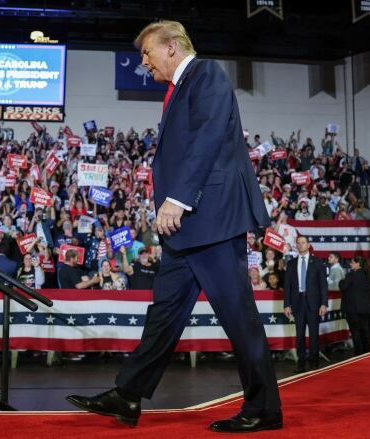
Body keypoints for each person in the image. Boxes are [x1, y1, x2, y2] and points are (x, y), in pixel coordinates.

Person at [66, 20, 282, 433]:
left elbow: (208, 137)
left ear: (171, 46)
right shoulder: (178, 89)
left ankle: (264, 408)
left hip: (212, 219)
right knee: (163, 315)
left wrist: (178, 198)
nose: (143, 61)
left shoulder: (206, 73)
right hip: (188, 229)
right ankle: (128, 394)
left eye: (147, 52)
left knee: (238, 318)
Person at [283, 235, 328, 373]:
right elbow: (288, 286)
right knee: (299, 334)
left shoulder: (318, 262)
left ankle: (314, 361)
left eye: (303, 242)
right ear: (296, 245)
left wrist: (324, 304)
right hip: (298, 303)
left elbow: (323, 285)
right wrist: (287, 305)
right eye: (298, 243)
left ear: (308, 245)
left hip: (314, 304)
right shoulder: (291, 264)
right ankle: (301, 362)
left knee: (314, 334)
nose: (301, 245)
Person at [338, 256, 370, 355]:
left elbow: (343, 286)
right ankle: (367, 351)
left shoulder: (351, 275)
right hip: (364, 308)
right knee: (364, 330)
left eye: (352, 262)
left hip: (353, 309)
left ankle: (358, 353)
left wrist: (341, 281)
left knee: (355, 331)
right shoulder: (367, 274)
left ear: (358, 264)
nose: (350, 264)